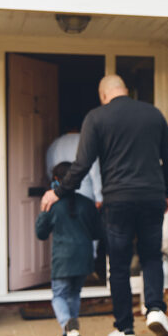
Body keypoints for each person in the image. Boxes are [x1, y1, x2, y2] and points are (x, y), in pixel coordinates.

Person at [41, 75, 168, 336]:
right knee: (151, 256)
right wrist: (166, 192)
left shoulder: (97, 117)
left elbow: (81, 165)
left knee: (119, 265)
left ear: (103, 94)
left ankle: (125, 331)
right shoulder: (153, 114)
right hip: (151, 196)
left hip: (118, 200)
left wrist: (58, 192)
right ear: (125, 90)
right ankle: (154, 309)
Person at [35, 162, 102, 336]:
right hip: (84, 256)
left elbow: (41, 233)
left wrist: (43, 211)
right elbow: (98, 232)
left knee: (59, 295)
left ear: (56, 180)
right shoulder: (87, 204)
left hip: (63, 258)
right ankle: (69, 335)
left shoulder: (52, 205)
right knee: (73, 294)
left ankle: (67, 324)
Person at [46, 119, 104, 278]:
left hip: (59, 192)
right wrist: (99, 195)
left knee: (63, 229)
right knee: (87, 229)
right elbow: (94, 170)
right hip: (84, 189)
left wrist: (54, 190)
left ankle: (64, 268)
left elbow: (50, 171)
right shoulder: (86, 142)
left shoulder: (54, 145)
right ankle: (88, 267)